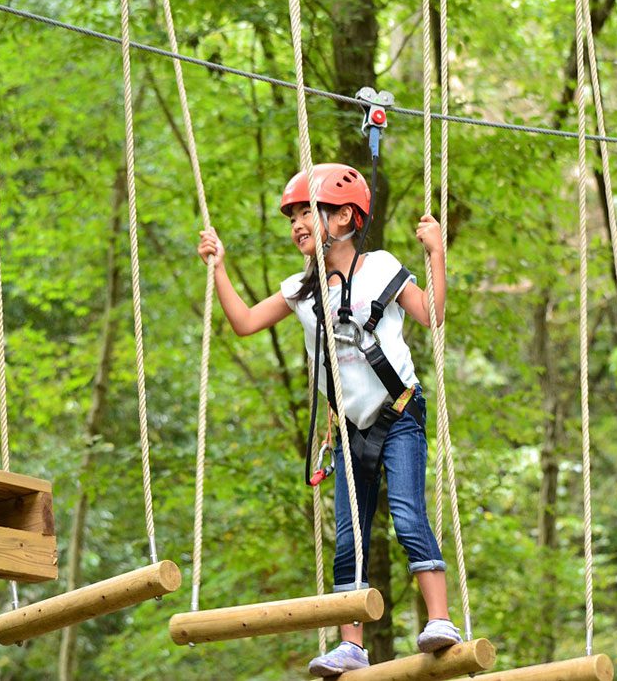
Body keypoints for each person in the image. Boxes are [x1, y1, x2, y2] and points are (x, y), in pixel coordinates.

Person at [196, 163, 459, 675]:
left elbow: (432, 314)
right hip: (348, 428)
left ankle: (441, 618)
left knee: (406, 513)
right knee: (349, 536)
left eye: (307, 212)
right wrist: (219, 269)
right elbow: (246, 323)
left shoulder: (381, 267)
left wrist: (437, 254)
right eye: (292, 215)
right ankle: (351, 644)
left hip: (399, 411)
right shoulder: (301, 289)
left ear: (344, 217)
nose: (297, 224)